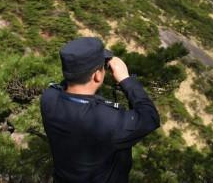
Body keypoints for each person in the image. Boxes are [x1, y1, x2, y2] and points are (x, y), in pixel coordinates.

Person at [40, 37, 160, 183]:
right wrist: (126, 80)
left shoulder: (48, 98)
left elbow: (69, 88)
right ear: (97, 75)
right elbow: (150, 118)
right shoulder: (107, 121)